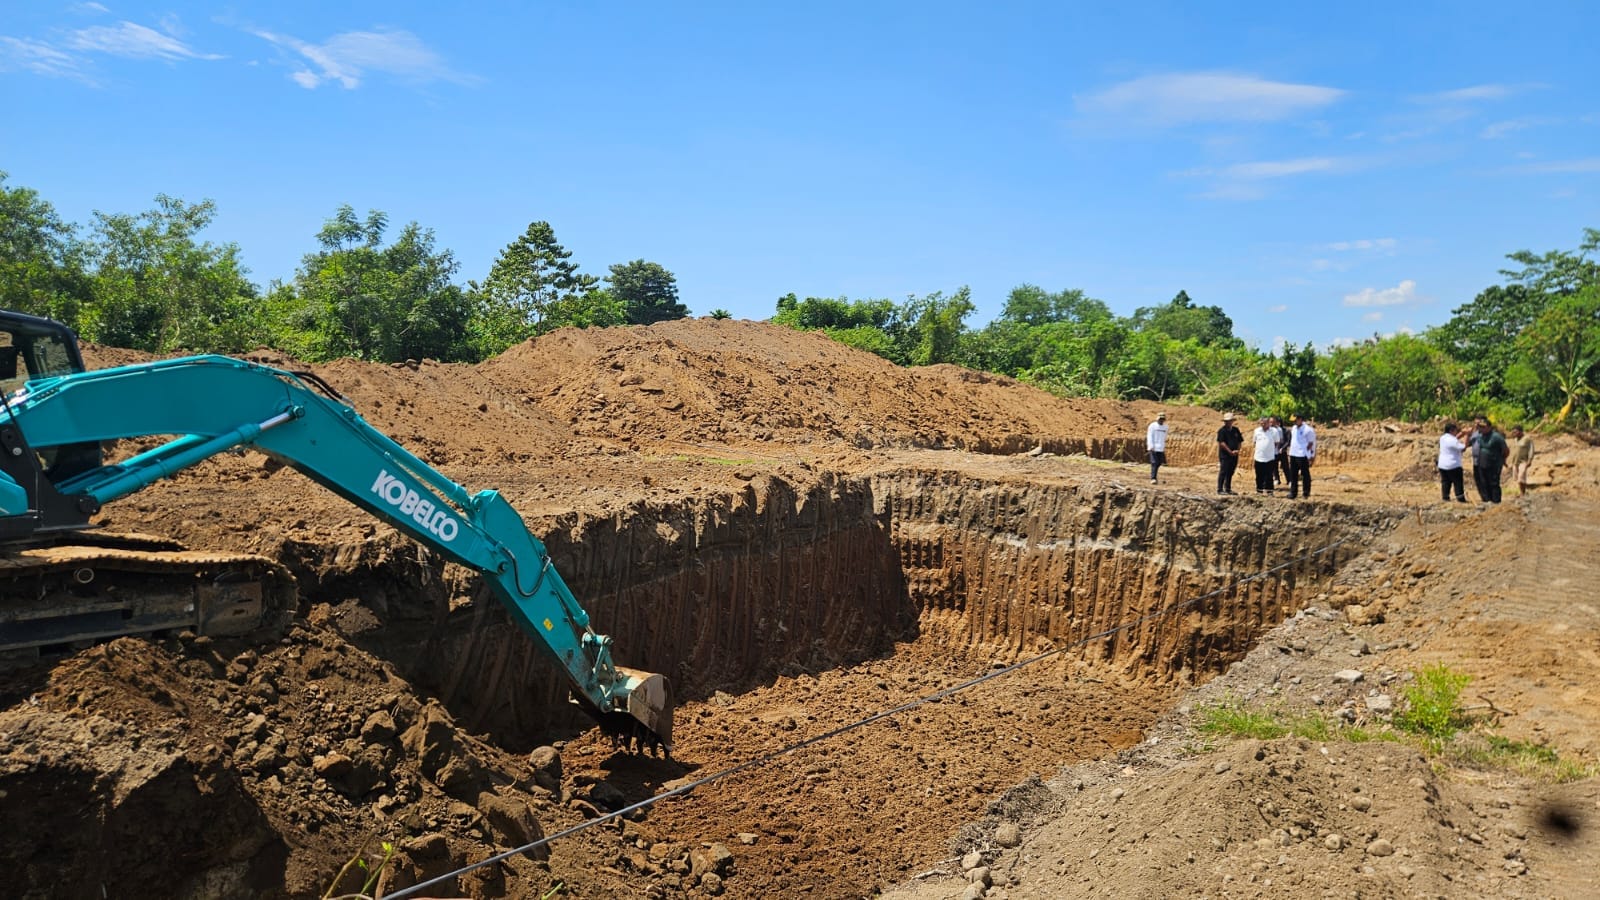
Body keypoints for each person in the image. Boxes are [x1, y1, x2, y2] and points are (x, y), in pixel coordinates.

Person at [1472, 417, 1508, 503]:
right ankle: (1487, 501)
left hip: (1494, 464)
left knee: (1494, 483)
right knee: (1483, 483)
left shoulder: (1496, 437)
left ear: (1489, 427)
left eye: (1483, 427)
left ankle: (1496, 501)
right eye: (1480, 427)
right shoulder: (1480, 436)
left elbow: (1505, 450)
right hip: (1482, 464)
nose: (1481, 429)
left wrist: (1502, 460)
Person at [1286, 413, 1316, 499]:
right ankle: (1293, 492)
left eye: (1295, 420)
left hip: (1303, 454)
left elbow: (1312, 443)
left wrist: (1312, 455)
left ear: (1300, 419)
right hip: (1293, 453)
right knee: (1293, 474)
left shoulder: (1308, 430)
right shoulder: (1294, 428)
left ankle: (1306, 493)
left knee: (1305, 474)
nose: (1294, 422)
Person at [1437, 422, 1468, 503]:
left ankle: (1445, 497)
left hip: (1442, 464)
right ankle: (1460, 498)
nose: (1457, 432)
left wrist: (1462, 433)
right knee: (1458, 483)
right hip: (1453, 465)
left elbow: (1455, 439)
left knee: (1445, 482)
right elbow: (1463, 448)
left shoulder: (1443, 438)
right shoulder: (1452, 440)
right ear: (1451, 431)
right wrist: (1467, 435)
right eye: (1456, 430)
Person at [1216, 412, 1243, 495]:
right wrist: (1230, 451)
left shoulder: (1236, 430)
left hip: (1234, 455)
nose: (1228, 422)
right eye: (1227, 421)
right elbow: (1222, 443)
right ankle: (1220, 489)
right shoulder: (1222, 431)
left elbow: (1239, 441)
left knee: (1231, 471)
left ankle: (1228, 488)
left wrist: (1237, 450)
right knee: (1223, 471)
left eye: (1230, 421)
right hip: (1225, 455)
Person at [1251, 416, 1279, 494]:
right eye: (1261, 423)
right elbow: (1255, 442)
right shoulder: (1257, 431)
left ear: (1268, 423)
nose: (1263, 425)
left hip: (1269, 457)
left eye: (1264, 423)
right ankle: (1259, 491)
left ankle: (1269, 491)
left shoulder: (1274, 431)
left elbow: (1276, 442)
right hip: (1259, 457)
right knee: (1259, 475)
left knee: (1269, 475)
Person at [1509, 425, 1534, 497]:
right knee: (1517, 479)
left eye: (1515, 432)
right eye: (1513, 432)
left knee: (1521, 478)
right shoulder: (1516, 439)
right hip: (1515, 461)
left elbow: (1531, 450)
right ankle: (1522, 492)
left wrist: (1530, 460)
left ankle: (1522, 493)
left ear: (1520, 431)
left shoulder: (1527, 439)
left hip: (1524, 461)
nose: (1514, 434)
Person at [1147, 412, 1169, 484]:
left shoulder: (1165, 427)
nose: (1161, 420)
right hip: (1153, 447)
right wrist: (1150, 445)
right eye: (1160, 419)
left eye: (1162, 419)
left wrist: (1163, 446)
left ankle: (1154, 475)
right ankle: (1153, 478)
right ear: (1157, 419)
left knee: (1159, 463)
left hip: (1161, 448)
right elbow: (1149, 436)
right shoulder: (1152, 426)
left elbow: (1164, 437)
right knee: (1154, 462)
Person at [1269, 415, 1288, 487]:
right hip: (1272, 452)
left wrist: (1282, 448)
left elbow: (1281, 440)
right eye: (1270, 422)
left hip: (1280, 451)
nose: (1271, 424)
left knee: (1285, 466)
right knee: (1274, 466)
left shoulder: (1280, 430)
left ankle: (1289, 480)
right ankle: (1277, 479)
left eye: (1273, 422)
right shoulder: (1268, 429)